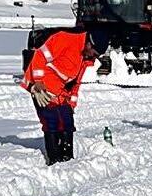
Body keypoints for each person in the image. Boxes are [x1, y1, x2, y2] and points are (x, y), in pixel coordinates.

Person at [21, 29, 108, 164]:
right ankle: (55, 160)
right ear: (89, 44)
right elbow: (40, 55)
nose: (94, 57)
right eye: (94, 53)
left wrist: (72, 103)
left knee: (67, 122)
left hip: (60, 93)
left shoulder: (85, 58)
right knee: (51, 121)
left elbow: (76, 83)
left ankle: (67, 159)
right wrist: (38, 81)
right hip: (42, 88)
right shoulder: (65, 39)